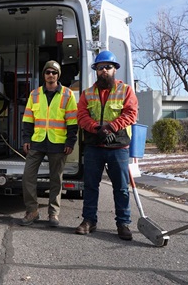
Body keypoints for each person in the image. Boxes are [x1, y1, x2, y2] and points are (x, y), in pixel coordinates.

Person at [75, 50, 138, 240]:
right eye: (100, 68)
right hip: (94, 146)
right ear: (96, 70)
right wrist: (97, 128)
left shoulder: (125, 90)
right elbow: (81, 116)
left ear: (115, 70)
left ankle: (123, 223)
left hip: (118, 147)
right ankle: (89, 221)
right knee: (90, 186)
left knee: (120, 187)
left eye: (108, 67)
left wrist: (110, 128)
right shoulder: (87, 93)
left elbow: (131, 114)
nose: (104, 71)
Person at [18, 61, 78, 227]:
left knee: (56, 180)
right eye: (47, 72)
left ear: (58, 75)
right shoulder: (35, 94)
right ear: (44, 75)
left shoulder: (67, 94)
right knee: (28, 177)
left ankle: (53, 214)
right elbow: (28, 120)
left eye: (54, 72)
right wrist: (26, 139)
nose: (50, 75)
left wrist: (70, 142)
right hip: (37, 141)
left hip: (58, 142)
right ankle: (32, 211)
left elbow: (72, 121)